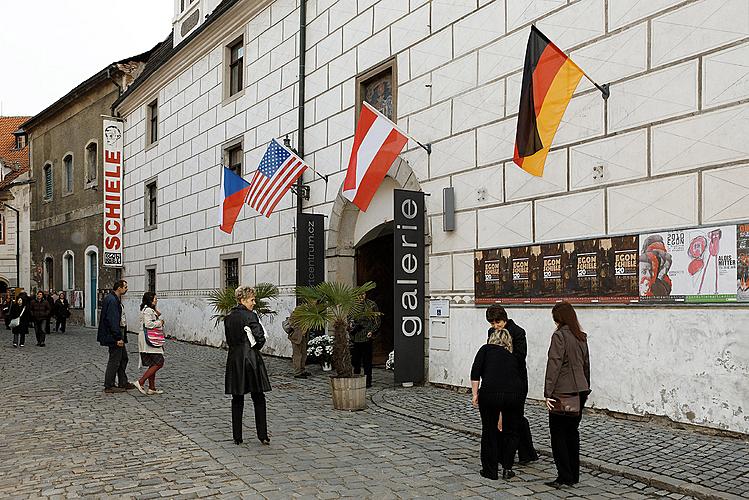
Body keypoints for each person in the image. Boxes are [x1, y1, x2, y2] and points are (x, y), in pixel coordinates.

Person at [544, 301, 591, 489]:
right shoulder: (581, 336)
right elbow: (586, 365)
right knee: (572, 434)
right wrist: (585, 388)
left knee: (558, 435)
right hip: (579, 390)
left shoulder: (559, 336)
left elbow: (554, 364)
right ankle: (573, 474)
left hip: (562, 392)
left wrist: (548, 392)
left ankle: (564, 476)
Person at [485, 305, 538, 465]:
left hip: (516, 381)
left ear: (504, 318)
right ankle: (526, 452)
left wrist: (502, 358)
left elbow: (520, 356)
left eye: (498, 322)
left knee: (515, 417)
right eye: (492, 323)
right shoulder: (491, 333)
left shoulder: (518, 332)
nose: (496, 326)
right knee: (510, 417)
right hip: (498, 380)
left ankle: (523, 452)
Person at [471, 328, 525, 481]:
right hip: (515, 394)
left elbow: (475, 372)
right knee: (511, 431)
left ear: (492, 339)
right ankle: (507, 467)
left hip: (490, 393)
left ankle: (490, 470)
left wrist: (475, 394)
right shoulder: (512, 356)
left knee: (489, 430)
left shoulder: (485, 349)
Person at [224, 285, 271, 445]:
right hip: (250, 358)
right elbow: (260, 337)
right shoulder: (250, 315)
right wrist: (258, 346)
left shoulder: (229, 316)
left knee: (237, 398)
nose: (254, 302)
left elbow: (229, 339)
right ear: (243, 299)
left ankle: (237, 436)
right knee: (258, 397)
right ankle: (262, 434)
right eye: (252, 299)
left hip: (234, 358)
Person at [97, 280, 135, 393]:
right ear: (119, 288)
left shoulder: (114, 299)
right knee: (114, 360)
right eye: (125, 287)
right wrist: (118, 337)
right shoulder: (112, 300)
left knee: (123, 358)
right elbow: (113, 320)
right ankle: (109, 385)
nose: (126, 289)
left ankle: (123, 381)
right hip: (114, 334)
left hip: (118, 332)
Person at [133, 292, 166, 395]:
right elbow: (148, 324)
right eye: (155, 298)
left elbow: (156, 315)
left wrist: (155, 311)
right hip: (149, 339)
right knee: (159, 362)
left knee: (152, 363)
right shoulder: (147, 310)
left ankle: (152, 388)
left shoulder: (148, 309)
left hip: (149, 338)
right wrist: (160, 322)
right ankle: (141, 381)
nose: (156, 300)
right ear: (150, 299)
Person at [349, 300, 380, 388]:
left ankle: (368, 381)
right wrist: (352, 327)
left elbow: (377, 320)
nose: (360, 297)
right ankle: (356, 379)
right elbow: (349, 319)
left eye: (362, 295)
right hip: (356, 337)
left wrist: (372, 331)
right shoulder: (353, 305)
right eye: (358, 295)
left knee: (367, 362)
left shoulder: (371, 304)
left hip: (367, 337)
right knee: (355, 361)